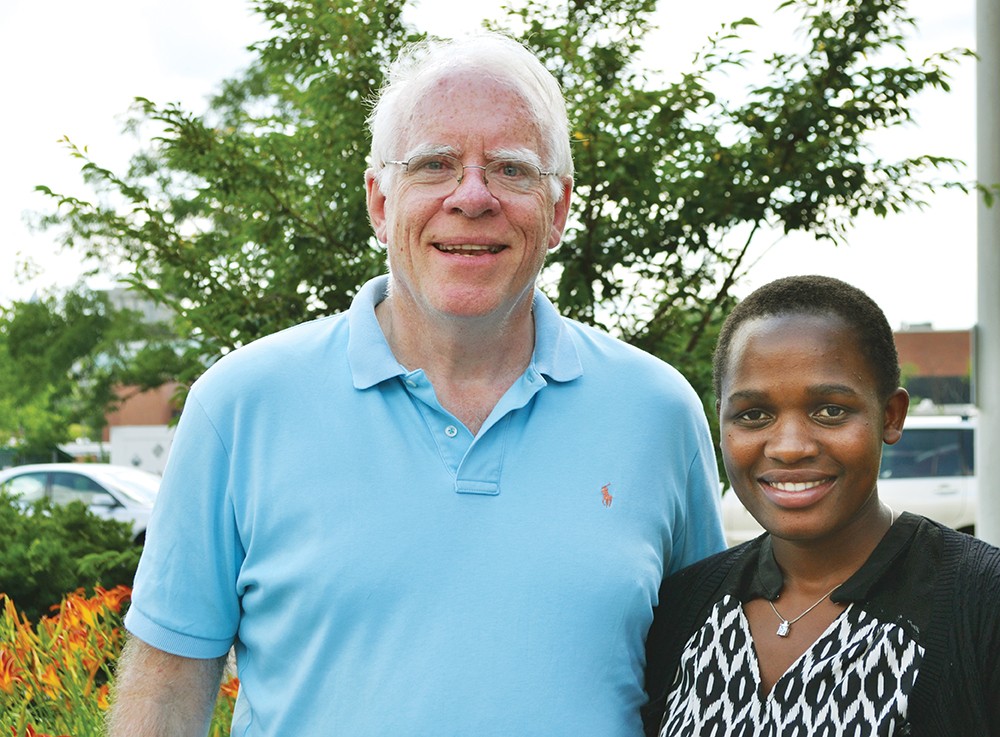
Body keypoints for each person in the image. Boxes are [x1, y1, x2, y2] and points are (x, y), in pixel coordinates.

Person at [106, 33, 726, 737]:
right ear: (378, 200)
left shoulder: (659, 412)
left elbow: (702, 681)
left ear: (558, 211)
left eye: (511, 170)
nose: (471, 196)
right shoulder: (239, 406)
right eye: (434, 164)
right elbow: (166, 687)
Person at [641, 275, 1000, 736]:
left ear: (890, 416)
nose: (789, 447)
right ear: (721, 420)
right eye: (753, 415)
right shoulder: (684, 609)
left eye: (830, 410)